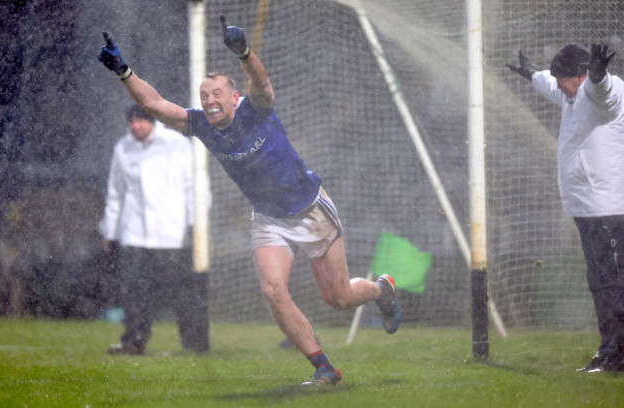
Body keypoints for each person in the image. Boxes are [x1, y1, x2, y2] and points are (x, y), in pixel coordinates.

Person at [97, 15, 402, 386]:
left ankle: (382, 290)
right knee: (273, 290)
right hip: (269, 218)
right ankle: (324, 368)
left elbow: (261, 81)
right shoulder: (202, 125)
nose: (209, 100)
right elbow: (157, 104)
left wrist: (243, 52)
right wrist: (124, 72)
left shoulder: (255, 109)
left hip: (311, 210)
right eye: (204, 95)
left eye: (216, 94)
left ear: (234, 97)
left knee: (337, 298)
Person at [507, 44, 624, 373]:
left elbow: (603, 94)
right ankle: (608, 351)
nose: (559, 85)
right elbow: (553, 86)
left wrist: (599, 76)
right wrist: (531, 74)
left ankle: (621, 357)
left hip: (607, 207)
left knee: (615, 282)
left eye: (563, 78)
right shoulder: (572, 95)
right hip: (589, 206)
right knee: (601, 281)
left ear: (580, 77)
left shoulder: (604, 91)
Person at [99, 104, 211, 355]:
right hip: (135, 233)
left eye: (141, 121)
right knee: (134, 292)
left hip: (174, 234)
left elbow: (195, 187)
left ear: (153, 121)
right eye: (132, 121)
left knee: (183, 294)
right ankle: (133, 340)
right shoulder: (123, 148)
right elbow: (115, 193)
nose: (136, 126)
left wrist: (197, 225)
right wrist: (110, 231)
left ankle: (194, 344)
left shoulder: (177, 145)